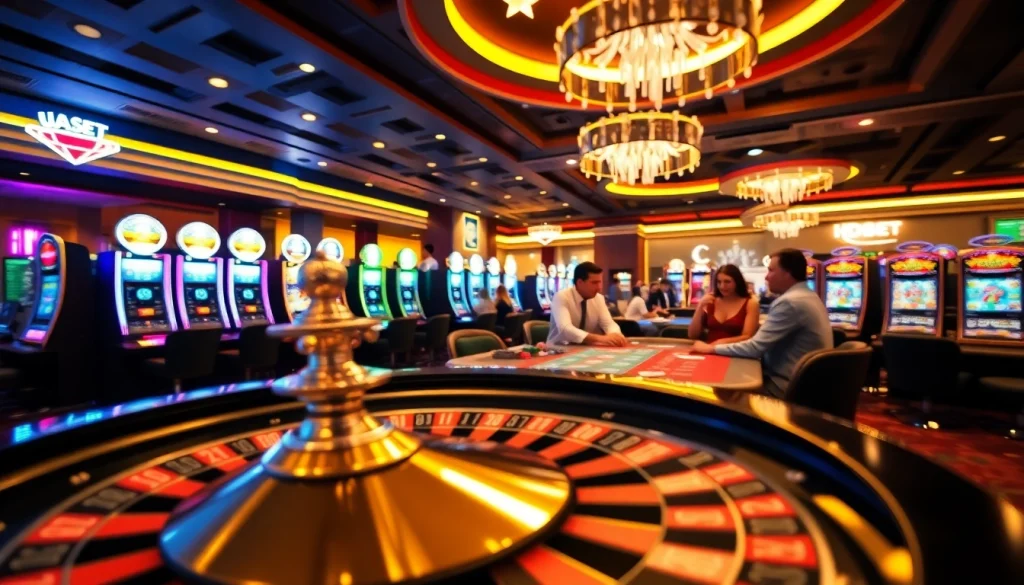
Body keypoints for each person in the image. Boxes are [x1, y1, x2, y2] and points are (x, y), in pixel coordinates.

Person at [692, 249, 832, 398]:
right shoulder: (808, 296)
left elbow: (755, 348)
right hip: (807, 384)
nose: (766, 276)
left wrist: (711, 349)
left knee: (719, 396)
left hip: (786, 388)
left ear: (788, 273)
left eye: (771, 270)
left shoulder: (790, 302)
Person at [548, 261, 627, 346]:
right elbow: (565, 329)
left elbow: (608, 323)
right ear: (580, 282)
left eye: (600, 282)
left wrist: (614, 335)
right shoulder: (561, 297)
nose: (599, 288)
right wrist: (601, 338)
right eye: (594, 283)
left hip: (584, 349)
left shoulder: (599, 298)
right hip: (558, 349)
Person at [688, 264, 760, 345]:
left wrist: (719, 343)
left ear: (737, 282)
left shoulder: (750, 303)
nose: (722, 286)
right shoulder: (711, 301)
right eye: (719, 282)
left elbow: (747, 336)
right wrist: (700, 306)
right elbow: (692, 335)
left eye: (727, 282)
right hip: (709, 352)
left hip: (736, 354)